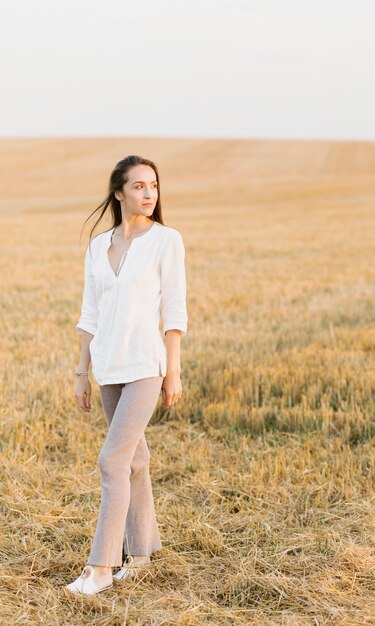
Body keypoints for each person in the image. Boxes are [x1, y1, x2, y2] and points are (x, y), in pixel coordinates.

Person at [64, 155, 188, 595]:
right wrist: (83, 371)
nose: (148, 193)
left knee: (112, 460)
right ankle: (141, 553)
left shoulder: (166, 241)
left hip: (144, 366)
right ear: (118, 192)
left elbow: (174, 310)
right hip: (109, 366)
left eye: (152, 185)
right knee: (134, 459)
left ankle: (100, 567)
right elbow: (90, 312)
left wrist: (172, 370)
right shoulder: (98, 246)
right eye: (138, 186)